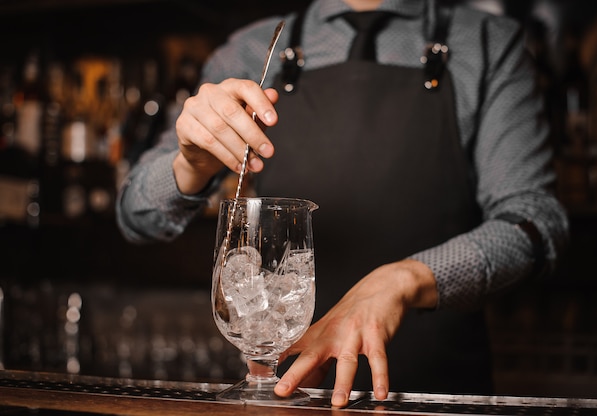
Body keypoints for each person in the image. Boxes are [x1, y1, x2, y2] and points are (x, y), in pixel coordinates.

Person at [116, 0, 569, 408]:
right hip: (289, 395)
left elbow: (536, 224)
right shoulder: (253, 51)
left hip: (439, 395)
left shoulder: (487, 43)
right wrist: (191, 163)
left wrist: (404, 279)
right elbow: (137, 217)